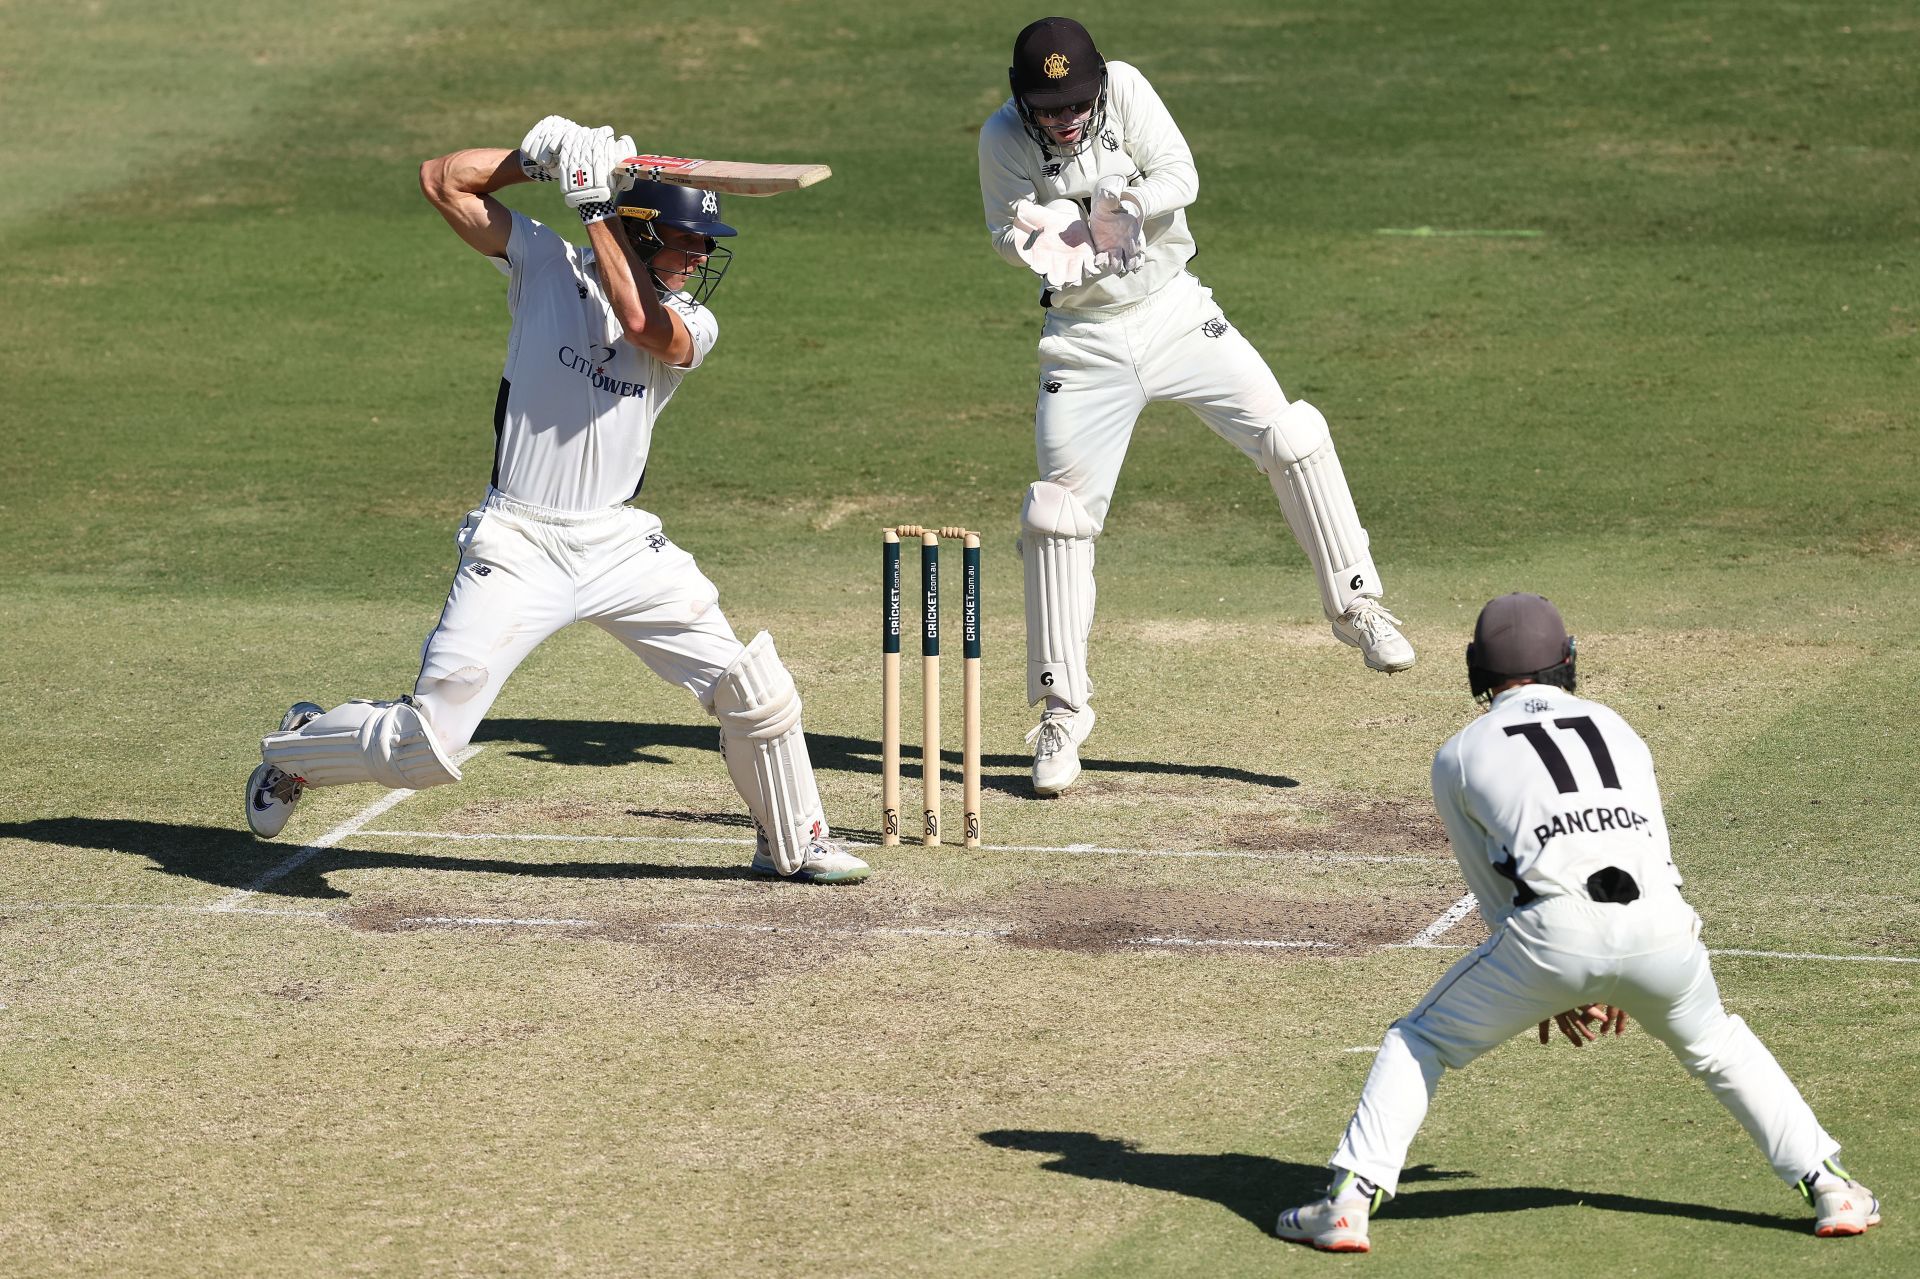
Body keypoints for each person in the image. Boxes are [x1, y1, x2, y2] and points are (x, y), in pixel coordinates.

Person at [242, 115, 870, 885]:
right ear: (643, 234)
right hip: (518, 542)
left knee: (754, 688)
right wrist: (536, 161)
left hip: (618, 545)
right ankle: (300, 748)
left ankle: (794, 840)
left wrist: (594, 206)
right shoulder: (546, 262)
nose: (702, 258)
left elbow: (645, 326)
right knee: (424, 745)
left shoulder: (695, 321)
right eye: (687, 243)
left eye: (706, 246)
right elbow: (440, 179)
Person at [1274, 593, 1880, 1252]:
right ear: (1566, 662)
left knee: (1420, 1040)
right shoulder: (1618, 727)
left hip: (1549, 936)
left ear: (1478, 669)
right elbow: (1652, 853)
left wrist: (1557, 980)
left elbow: (1493, 892)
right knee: (1719, 1044)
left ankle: (1346, 1202)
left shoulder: (1458, 754)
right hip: (1662, 926)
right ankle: (1832, 1187)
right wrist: (1606, 974)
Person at [977, 17, 1416, 797]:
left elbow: (1183, 172)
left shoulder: (1130, 89)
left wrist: (1132, 203)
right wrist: (1050, 237)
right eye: (1050, 108)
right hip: (1083, 340)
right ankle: (1059, 713)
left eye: (1077, 101)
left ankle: (1359, 608)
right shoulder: (1002, 139)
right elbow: (1009, 235)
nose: (1067, 118)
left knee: (1291, 433)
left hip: (1177, 312)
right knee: (1056, 516)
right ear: (1023, 102)